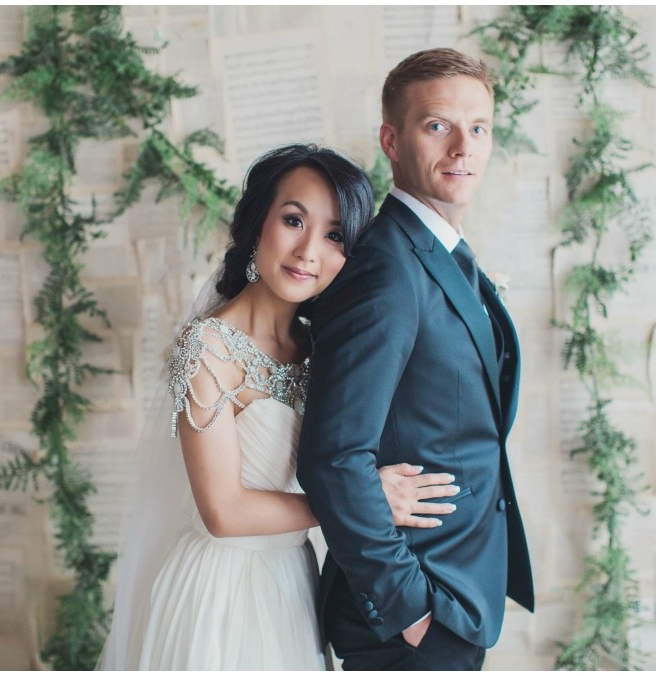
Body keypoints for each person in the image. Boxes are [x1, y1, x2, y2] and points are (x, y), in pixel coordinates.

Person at [98, 144, 459, 671]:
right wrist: (360, 501)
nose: (309, 250)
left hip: (292, 582)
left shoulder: (325, 347)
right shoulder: (208, 346)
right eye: (294, 220)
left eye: (335, 235)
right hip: (218, 591)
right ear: (257, 224)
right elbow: (222, 512)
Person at [296, 48, 535, 671]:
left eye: (478, 128)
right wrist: (410, 611)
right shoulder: (384, 269)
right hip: (411, 612)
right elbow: (334, 455)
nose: (463, 147)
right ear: (391, 139)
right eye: (438, 126)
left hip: (458, 591)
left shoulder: (439, 252)